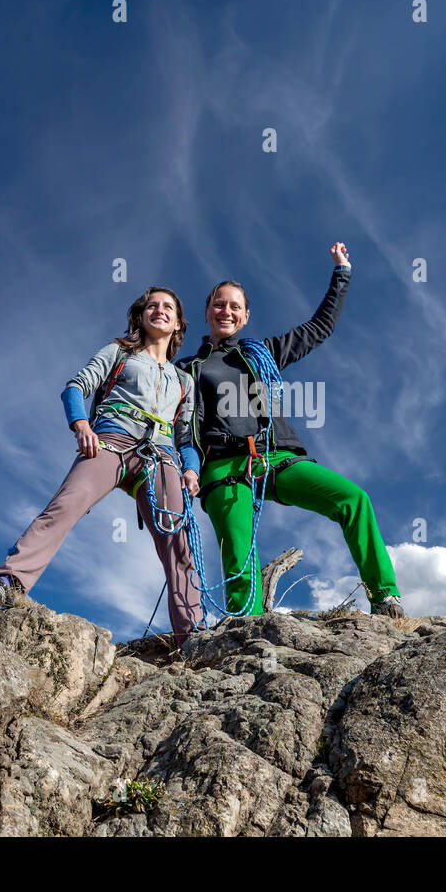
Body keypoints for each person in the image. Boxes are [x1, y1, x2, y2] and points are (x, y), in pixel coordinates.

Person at [176, 241, 404, 618]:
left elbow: (320, 327)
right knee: (238, 551)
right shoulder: (188, 368)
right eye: (219, 304)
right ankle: (243, 629)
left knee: (353, 499)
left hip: (275, 456)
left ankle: (385, 597)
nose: (226, 311)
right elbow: (183, 424)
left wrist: (341, 274)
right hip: (222, 466)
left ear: (246, 316)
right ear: (207, 312)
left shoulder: (262, 352)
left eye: (235, 306)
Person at [0, 287, 204, 645]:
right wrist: (80, 423)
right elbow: (75, 387)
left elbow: (186, 436)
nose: (159, 311)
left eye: (168, 308)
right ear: (141, 315)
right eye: (152, 306)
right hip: (110, 440)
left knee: (179, 540)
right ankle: (8, 583)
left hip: (160, 456)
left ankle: (192, 634)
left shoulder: (184, 380)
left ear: (178, 324)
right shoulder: (118, 352)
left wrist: (190, 470)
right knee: (66, 504)